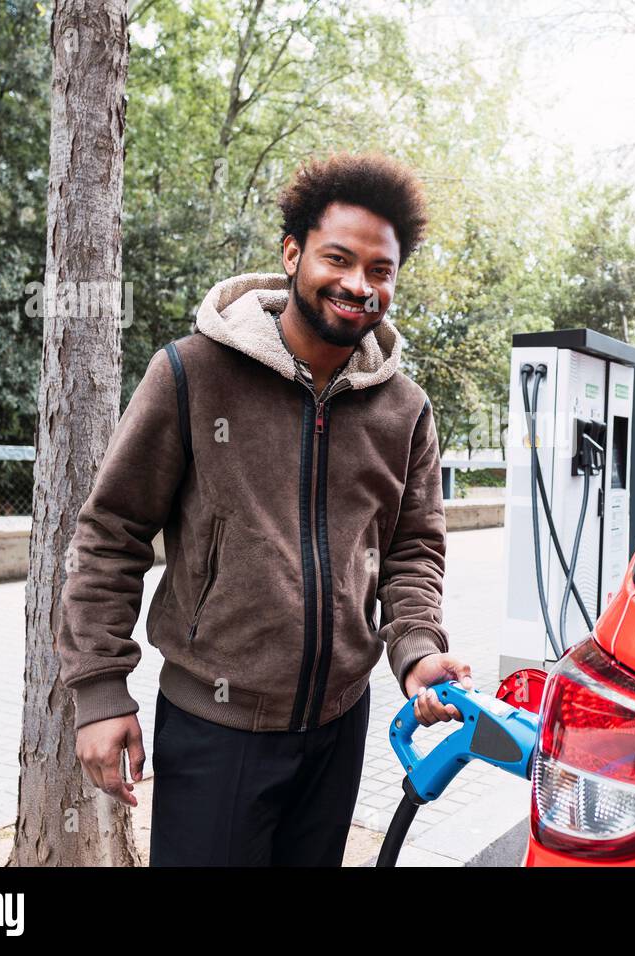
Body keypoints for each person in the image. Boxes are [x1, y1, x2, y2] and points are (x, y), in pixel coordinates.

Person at [54, 151, 472, 866]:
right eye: (338, 258)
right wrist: (99, 689)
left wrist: (417, 650)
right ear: (292, 253)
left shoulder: (405, 410)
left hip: (339, 728)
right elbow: (112, 532)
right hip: (213, 729)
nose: (357, 284)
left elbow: (412, 550)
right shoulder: (192, 372)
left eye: (380, 271)